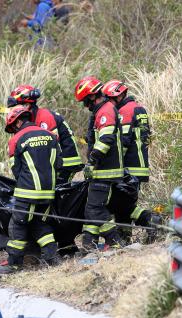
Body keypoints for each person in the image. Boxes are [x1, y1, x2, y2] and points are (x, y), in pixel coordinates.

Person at [0, 105, 61, 274]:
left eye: (12, 128)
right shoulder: (50, 135)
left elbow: (16, 170)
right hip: (49, 191)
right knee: (39, 222)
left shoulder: (16, 140)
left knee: (17, 224)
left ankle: (14, 263)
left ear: (16, 122)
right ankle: (51, 257)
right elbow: (59, 164)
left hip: (27, 192)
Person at [101, 79, 159, 242]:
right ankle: (125, 236)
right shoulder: (138, 108)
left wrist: (113, 162)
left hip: (129, 166)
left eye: (108, 99)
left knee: (121, 204)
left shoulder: (125, 111)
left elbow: (124, 142)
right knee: (123, 203)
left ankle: (149, 220)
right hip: (140, 164)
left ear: (116, 97)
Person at [74, 76, 125, 250]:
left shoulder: (105, 111)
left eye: (85, 101)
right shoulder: (103, 110)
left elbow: (106, 138)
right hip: (103, 169)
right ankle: (89, 242)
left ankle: (114, 240)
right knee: (91, 208)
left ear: (91, 96)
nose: (85, 106)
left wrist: (92, 161)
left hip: (105, 169)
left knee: (95, 209)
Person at [7, 84, 82, 184]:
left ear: (27, 105)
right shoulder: (30, 119)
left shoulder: (44, 117)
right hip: (58, 162)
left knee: (58, 191)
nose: (12, 111)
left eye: (15, 106)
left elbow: (52, 147)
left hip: (66, 162)